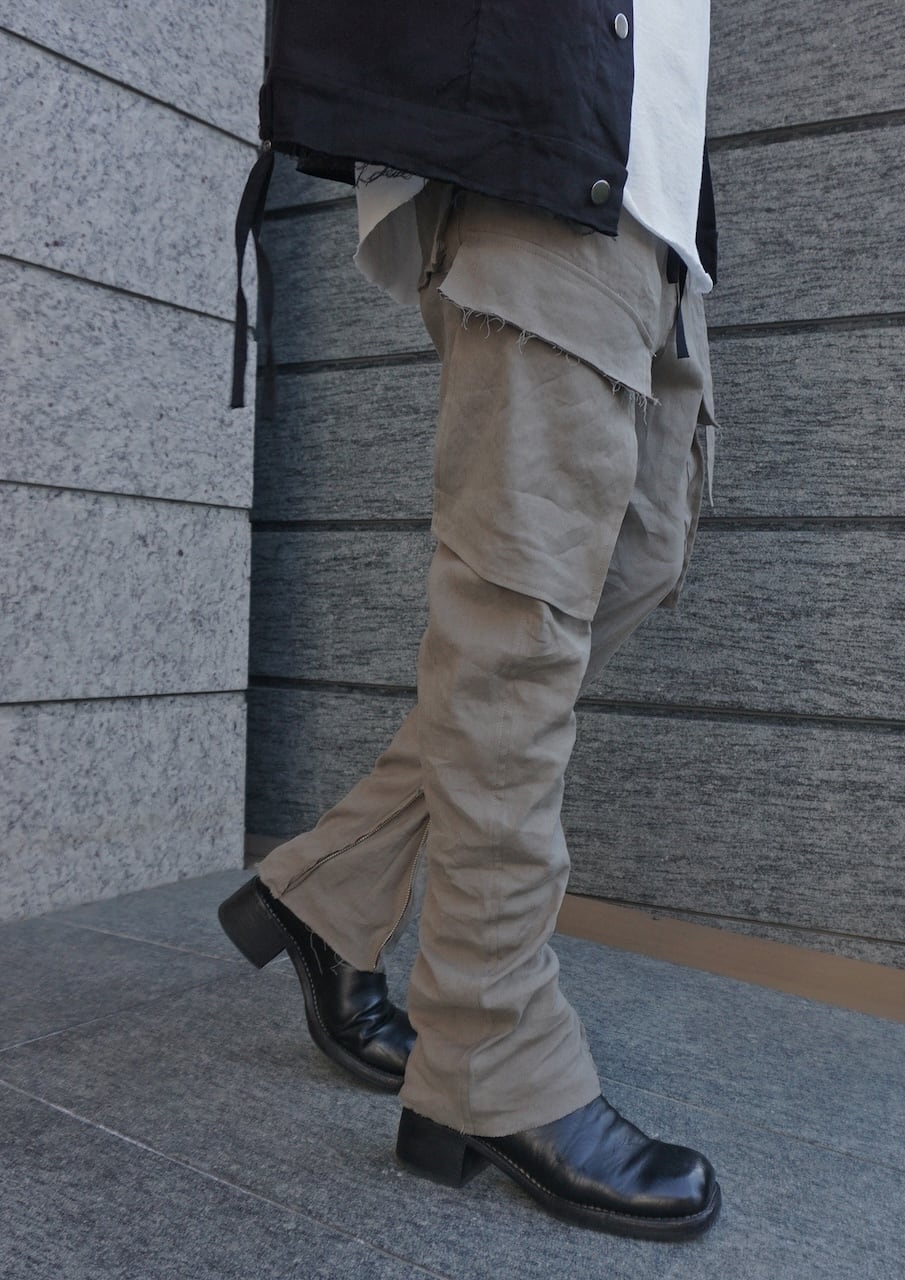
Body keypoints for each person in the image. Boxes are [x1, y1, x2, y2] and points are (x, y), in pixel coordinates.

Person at [224, 0, 722, 1241]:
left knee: (633, 562)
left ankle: (331, 885)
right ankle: (488, 1046)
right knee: (520, 620)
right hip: (540, 143)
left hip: (652, 197)